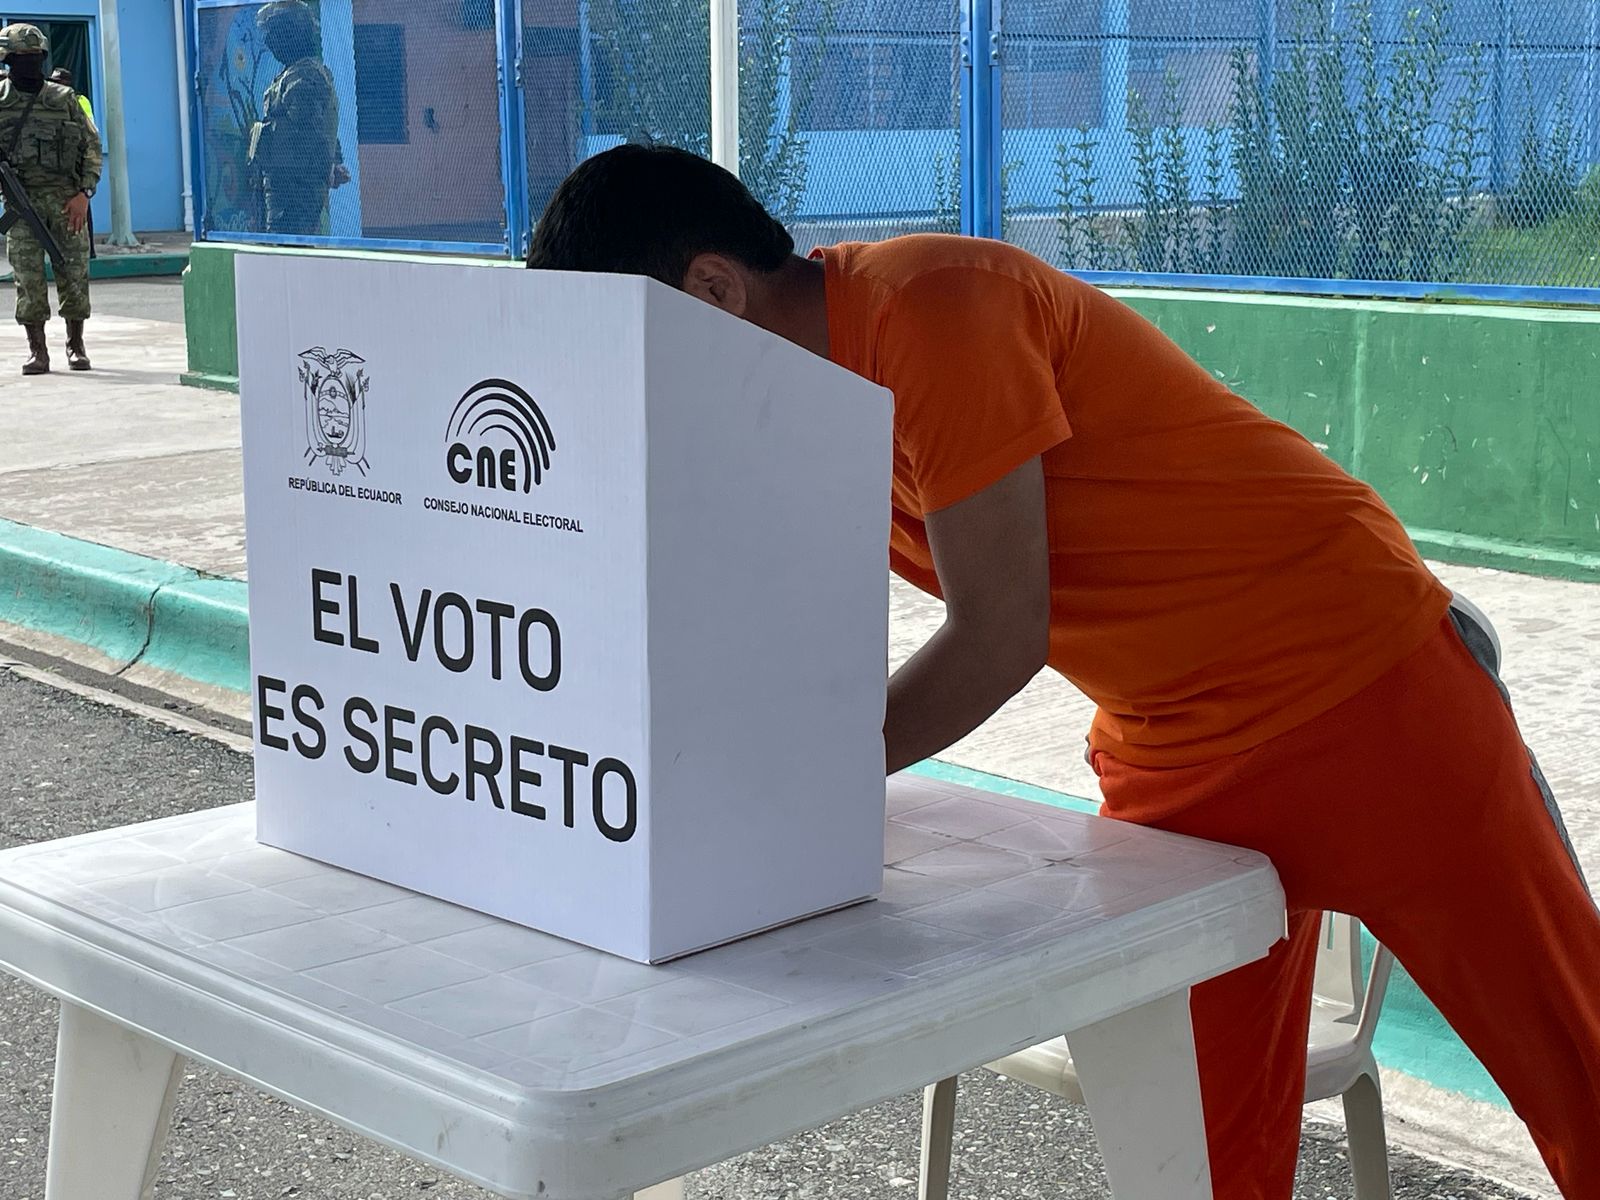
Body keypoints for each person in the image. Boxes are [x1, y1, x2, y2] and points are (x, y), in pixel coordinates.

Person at [525, 144, 1600, 1198]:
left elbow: (1000, 636)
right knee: (1197, 1165)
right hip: (1175, 758)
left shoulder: (932, 307)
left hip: (1369, 697)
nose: (636, 392)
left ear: (713, 291)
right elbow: (756, 625)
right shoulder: (792, 410)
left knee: (1580, 1078)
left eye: (631, 352)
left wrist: (796, 787)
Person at [0, 24, 99, 374]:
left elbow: (91, 148)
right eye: (22, 57)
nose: (30, 63)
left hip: (67, 203)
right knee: (28, 280)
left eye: (35, 57)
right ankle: (37, 351)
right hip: (20, 206)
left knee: (74, 275)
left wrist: (84, 194)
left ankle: (76, 345)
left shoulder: (65, 99)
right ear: (8, 60)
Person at [249, 0, 348, 238]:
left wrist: (328, 166)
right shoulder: (296, 73)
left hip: (294, 193)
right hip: (287, 190)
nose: (269, 42)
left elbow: (308, 135)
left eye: (275, 34)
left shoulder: (303, 77)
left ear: (291, 35)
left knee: (287, 248)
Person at [48, 66, 96, 259]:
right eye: (54, 82)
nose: (56, 86)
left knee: (82, 209)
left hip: (75, 162)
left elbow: (91, 135)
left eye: (59, 82)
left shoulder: (79, 101)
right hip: (56, 163)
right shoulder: (48, 102)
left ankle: (90, 249)